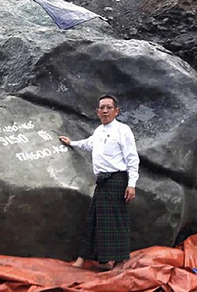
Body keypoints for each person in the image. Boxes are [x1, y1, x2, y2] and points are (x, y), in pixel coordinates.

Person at [59, 94, 140, 271]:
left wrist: (131, 183)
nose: (104, 110)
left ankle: (120, 262)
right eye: (101, 108)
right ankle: (83, 258)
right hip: (102, 182)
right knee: (93, 220)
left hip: (118, 180)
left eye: (108, 107)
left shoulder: (123, 130)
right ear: (97, 111)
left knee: (117, 222)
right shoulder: (98, 131)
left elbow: (132, 158)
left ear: (116, 111)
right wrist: (71, 142)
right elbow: (88, 144)